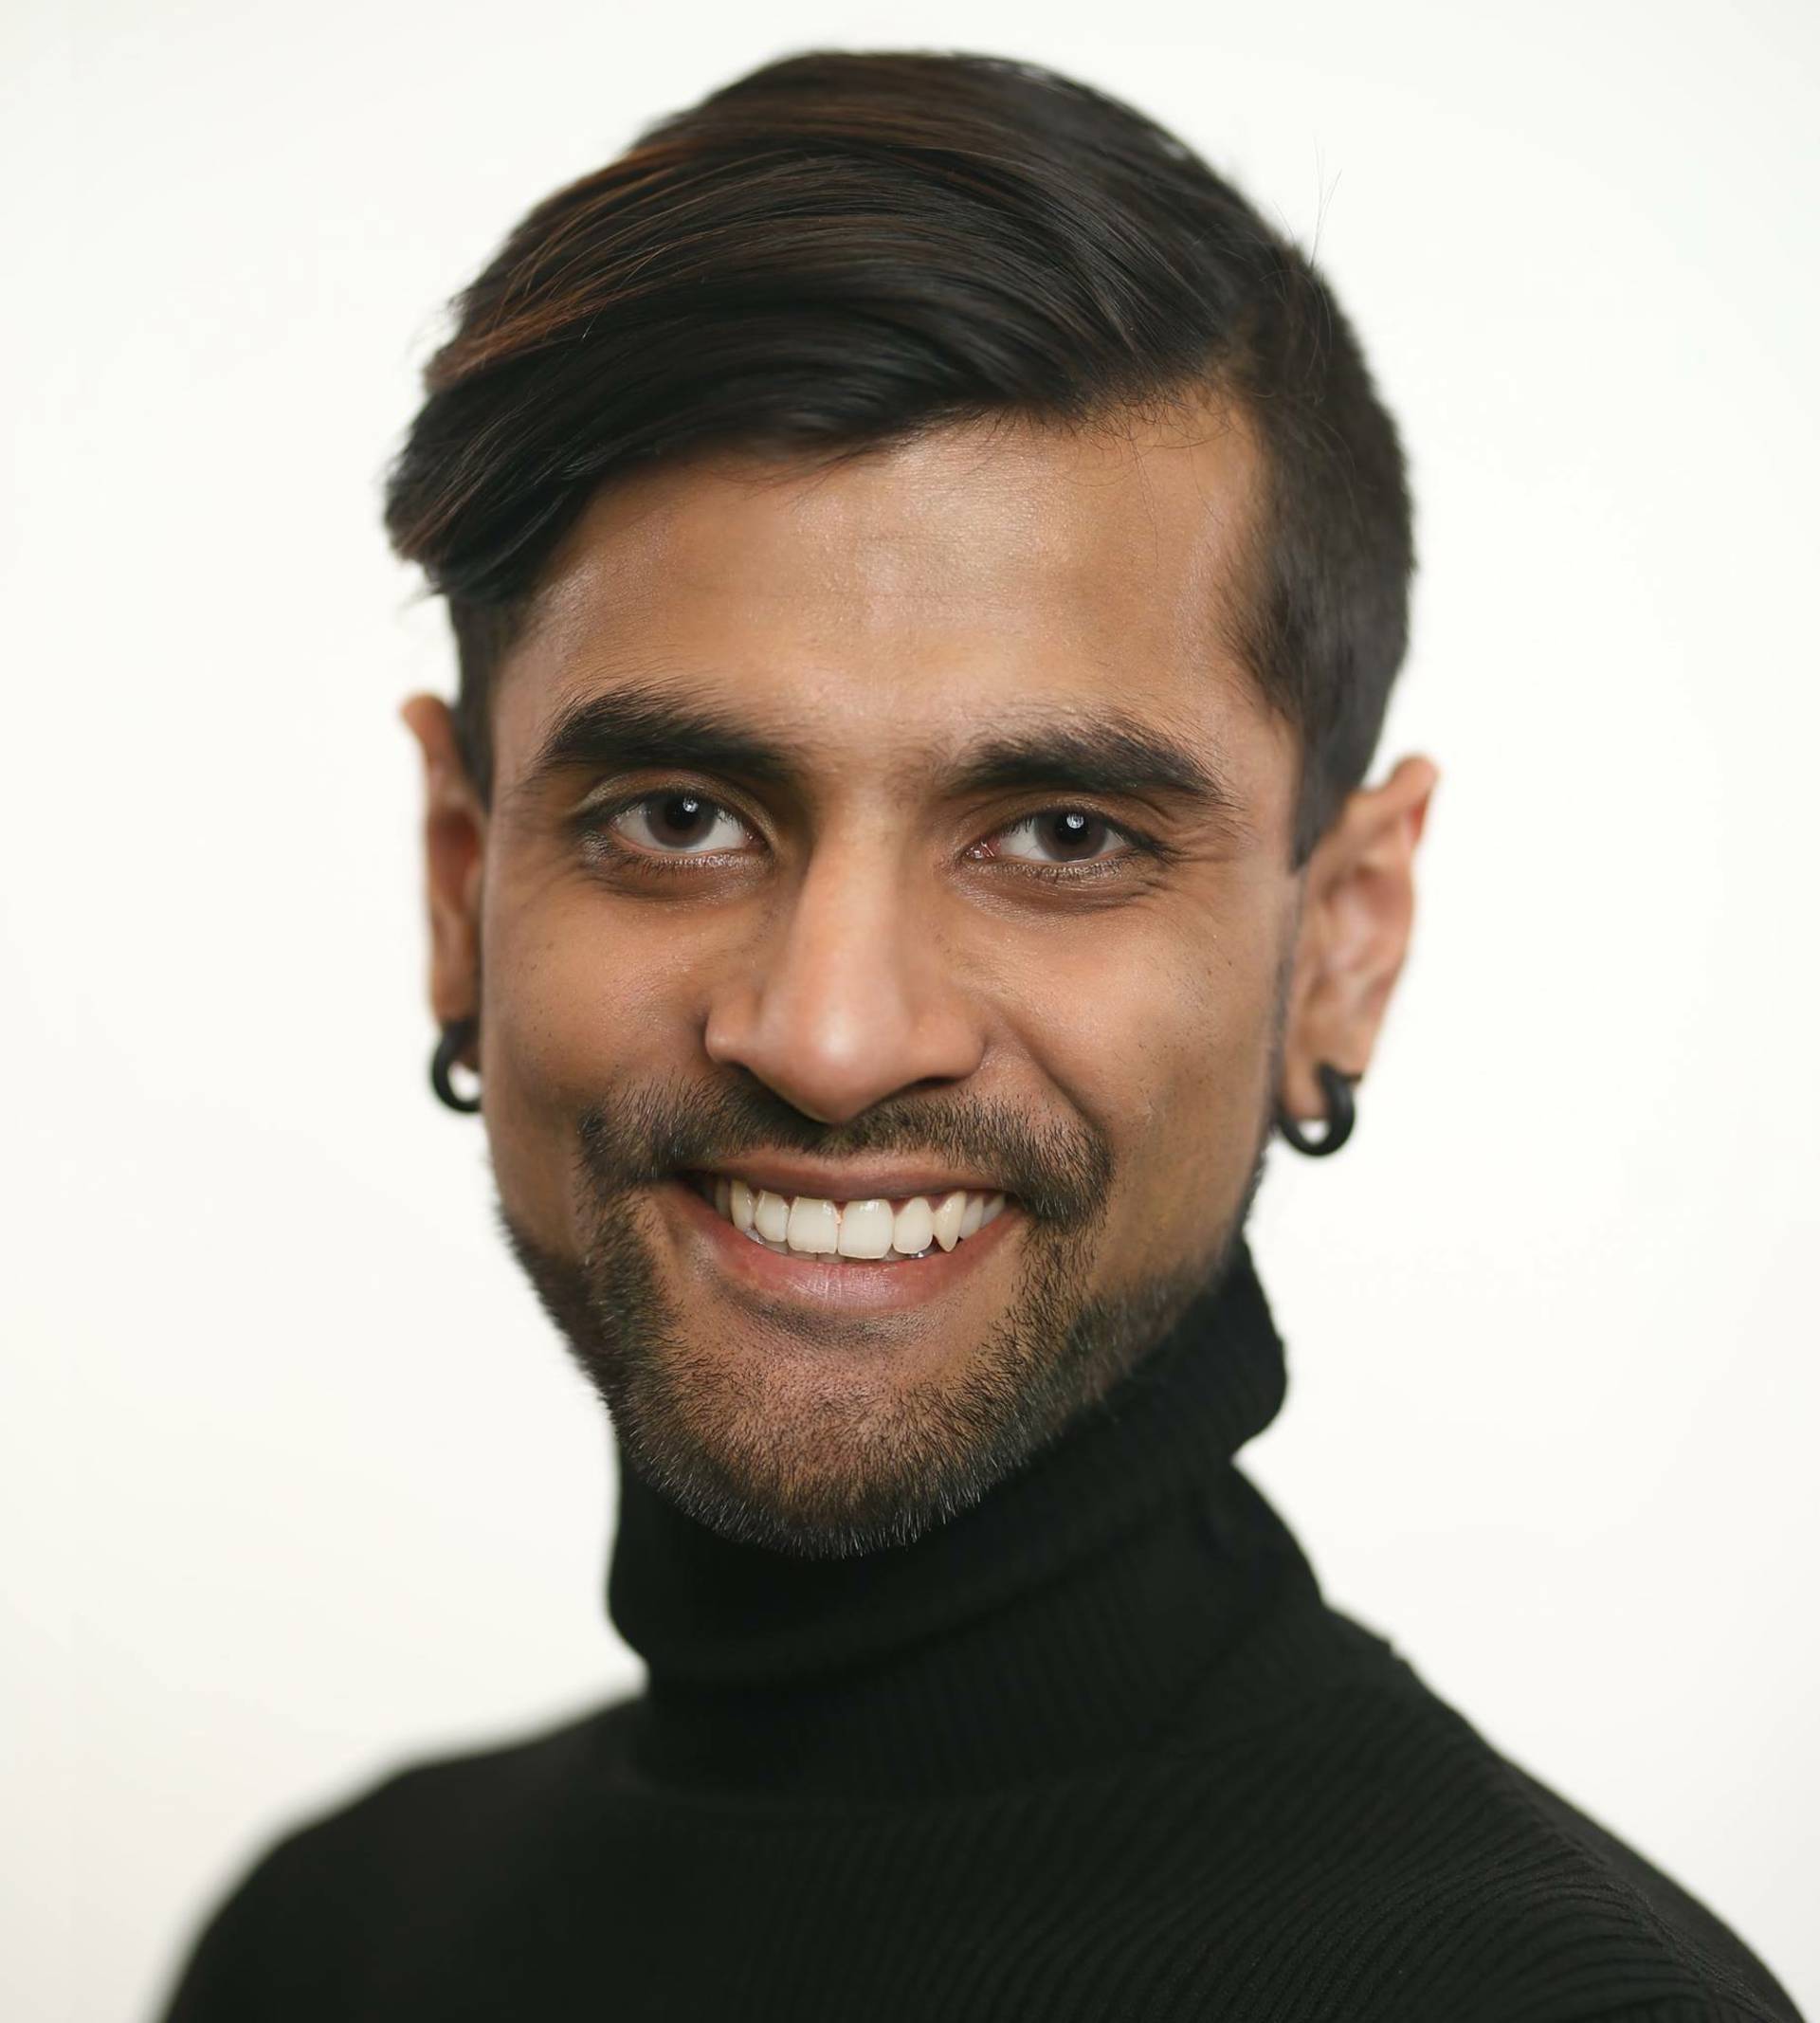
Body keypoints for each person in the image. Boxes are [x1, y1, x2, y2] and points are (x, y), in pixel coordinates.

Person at [155, 47, 1803, 2023]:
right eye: (678, 814)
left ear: (1340, 945)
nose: (834, 1035)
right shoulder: (330, 1944)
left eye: (1062, 834)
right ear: (461, 884)